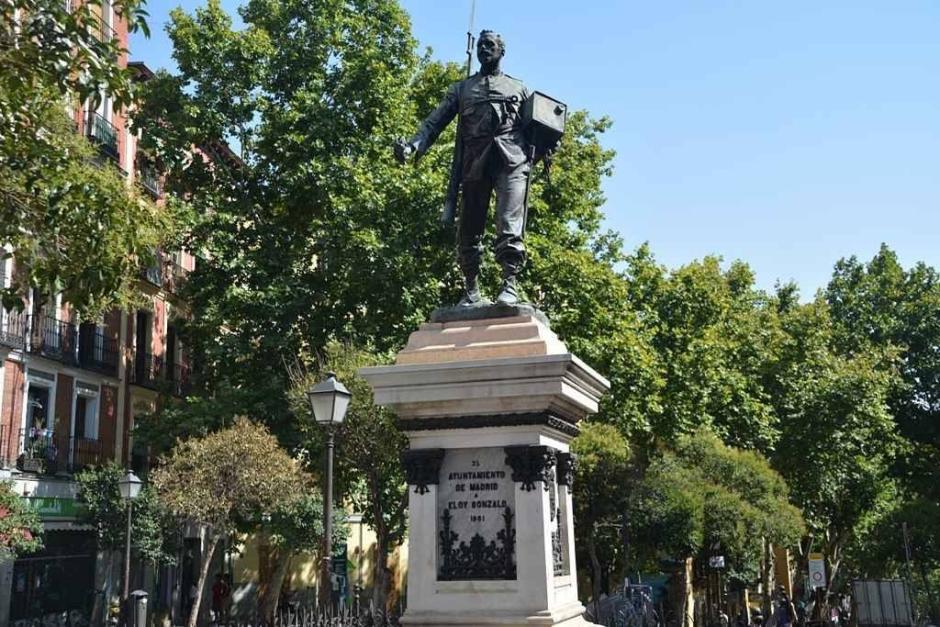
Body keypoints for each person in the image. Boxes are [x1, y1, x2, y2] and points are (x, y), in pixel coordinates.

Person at [395, 30, 555, 307]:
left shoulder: (519, 88)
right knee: (468, 229)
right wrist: (412, 147)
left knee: (509, 224)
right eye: (481, 45)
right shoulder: (462, 89)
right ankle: (471, 290)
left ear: (501, 51)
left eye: (490, 45)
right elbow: (434, 123)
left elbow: (540, 127)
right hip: (474, 163)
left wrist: (548, 142)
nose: (484, 49)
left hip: (512, 162)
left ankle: (509, 284)